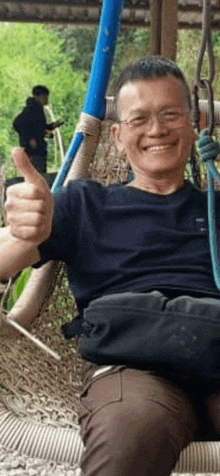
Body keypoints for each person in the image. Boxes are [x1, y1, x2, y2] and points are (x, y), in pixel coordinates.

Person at [2, 56, 220, 476]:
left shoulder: (214, 206)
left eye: (170, 114)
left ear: (194, 126)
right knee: (132, 430)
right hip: (133, 368)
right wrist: (24, 233)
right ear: (118, 136)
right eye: (140, 118)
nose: (156, 129)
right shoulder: (86, 203)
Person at [13, 85, 62, 174]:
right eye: (44, 97)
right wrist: (30, 138)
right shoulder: (31, 109)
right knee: (36, 174)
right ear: (37, 97)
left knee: (40, 172)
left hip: (39, 148)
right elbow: (18, 124)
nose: (46, 99)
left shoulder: (39, 109)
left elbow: (38, 128)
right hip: (32, 149)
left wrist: (51, 126)